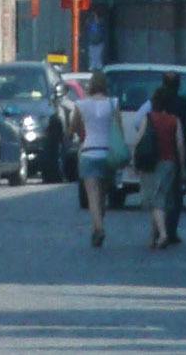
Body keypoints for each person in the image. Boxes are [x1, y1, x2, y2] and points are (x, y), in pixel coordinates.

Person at [69, 69, 119, 250]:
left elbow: (73, 127)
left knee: (92, 195)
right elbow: (118, 129)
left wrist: (81, 131)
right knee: (103, 195)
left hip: (89, 152)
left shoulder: (81, 105)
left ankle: (98, 227)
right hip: (108, 154)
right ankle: (98, 225)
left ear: (91, 85)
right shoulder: (113, 104)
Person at [143, 81, 186, 251]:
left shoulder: (149, 118)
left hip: (151, 162)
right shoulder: (174, 120)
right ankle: (153, 236)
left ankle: (162, 234)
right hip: (169, 162)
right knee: (162, 197)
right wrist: (181, 166)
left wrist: (134, 161)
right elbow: (180, 145)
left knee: (155, 199)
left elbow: (140, 138)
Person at [158, 73, 186, 247]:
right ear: (179, 86)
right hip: (179, 153)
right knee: (176, 193)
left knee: (159, 191)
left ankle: (159, 228)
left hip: (158, 153)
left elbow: (137, 121)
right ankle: (170, 230)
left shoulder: (154, 103)